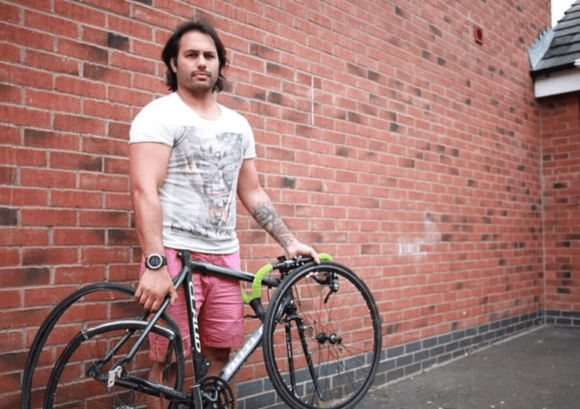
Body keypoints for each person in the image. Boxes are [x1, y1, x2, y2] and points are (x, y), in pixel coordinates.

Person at [128, 19, 319, 407]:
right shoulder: (158, 115)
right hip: (175, 253)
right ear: (173, 63)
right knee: (167, 361)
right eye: (192, 54)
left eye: (210, 55)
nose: (202, 62)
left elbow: (252, 191)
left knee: (220, 354)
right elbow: (143, 190)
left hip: (225, 257)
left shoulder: (238, 124)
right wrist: (153, 263)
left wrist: (290, 240)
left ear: (220, 65)